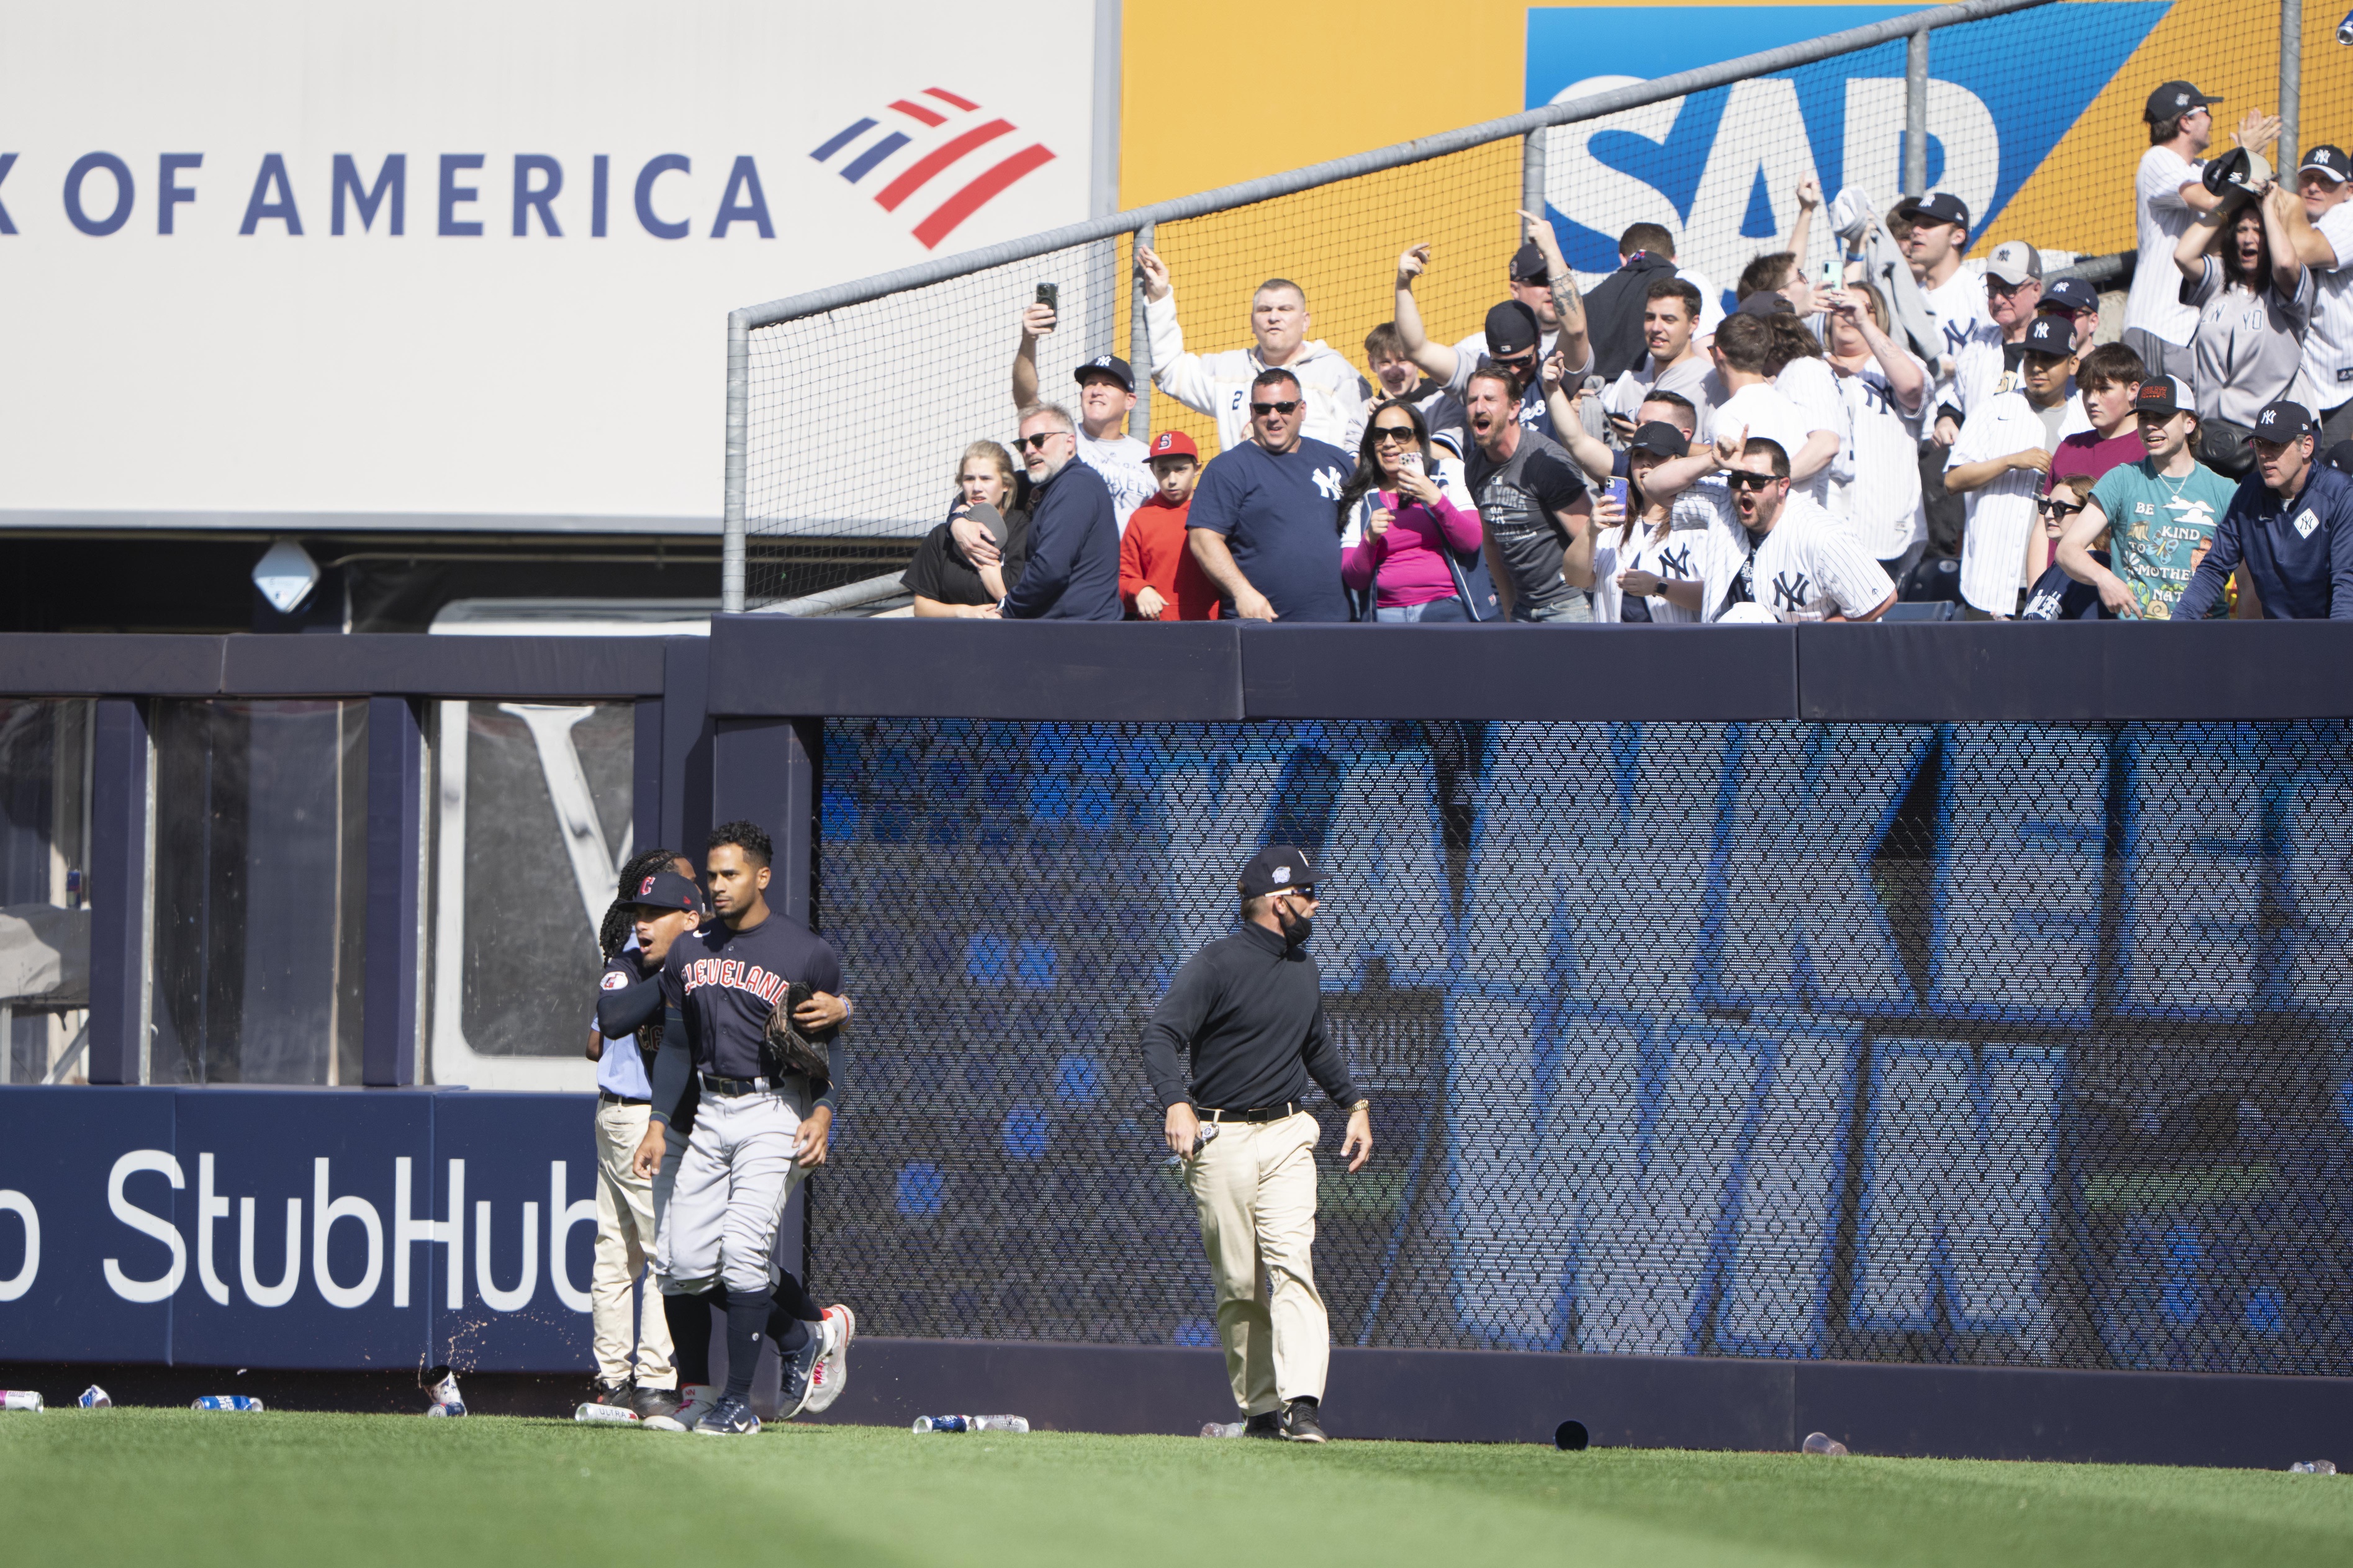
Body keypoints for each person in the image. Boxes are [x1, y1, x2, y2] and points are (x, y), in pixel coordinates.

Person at [625, 822, 853, 1437]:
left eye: (731, 874)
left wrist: (824, 1112)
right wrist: (655, 1123)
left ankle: (737, 1404)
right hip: (709, 1109)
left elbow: (831, 1045)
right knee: (683, 1263)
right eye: (713, 875)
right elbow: (676, 1046)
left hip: (774, 1109)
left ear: (762, 876)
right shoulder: (689, 949)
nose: (719, 885)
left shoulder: (805, 952)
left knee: (743, 1252)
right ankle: (801, 1338)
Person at [1142, 846, 1371, 1444]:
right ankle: (1262, 1412)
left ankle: (1303, 1406)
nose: (1316, 904)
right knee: (1240, 1285)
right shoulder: (1216, 964)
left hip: (1289, 1133)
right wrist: (1176, 1101)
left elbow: (1315, 1046)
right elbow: (1161, 1034)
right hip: (1222, 1139)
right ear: (1278, 902)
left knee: (1294, 1265)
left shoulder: (1304, 969)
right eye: (1307, 894)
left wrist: (1355, 1105)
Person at [581, 847, 700, 1420]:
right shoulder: (637, 956)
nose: (701, 889)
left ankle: (612, 1380)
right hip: (640, 1119)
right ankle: (652, 1380)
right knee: (658, 1251)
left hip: (614, 1113)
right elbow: (606, 1025)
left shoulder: (636, 954)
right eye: (689, 881)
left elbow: (593, 1044)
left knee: (615, 1253)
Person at [1138, 250, 1366, 454]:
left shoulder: (1336, 373)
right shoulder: (1228, 370)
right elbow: (1170, 370)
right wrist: (1160, 298)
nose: (1274, 317)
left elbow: (1357, 447)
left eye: (1285, 309)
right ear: (1252, 322)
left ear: (1305, 321)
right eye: (1265, 310)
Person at [2126, 84, 2279, 386]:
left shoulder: (2201, 168)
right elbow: (2210, 200)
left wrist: (2249, 160)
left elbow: (2238, 196)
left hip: (2190, 329)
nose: (2211, 120)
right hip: (2160, 326)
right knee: (2157, 414)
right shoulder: (2158, 159)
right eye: (2206, 113)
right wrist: (2244, 157)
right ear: (2186, 121)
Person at [1393, 211, 1594, 438]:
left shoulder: (1554, 369)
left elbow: (1575, 330)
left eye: (1523, 361)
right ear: (1490, 353)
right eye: (1503, 364)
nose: (1515, 370)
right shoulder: (1481, 371)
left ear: (1537, 342)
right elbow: (1417, 350)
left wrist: (1551, 250)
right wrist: (1403, 285)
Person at [2056, 376, 2236, 620]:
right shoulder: (2122, 479)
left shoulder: (2225, 491)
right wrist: (2104, 578)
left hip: (2204, 635)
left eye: (2161, 417)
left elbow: (2248, 580)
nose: (2151, 426)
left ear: (2189, 423)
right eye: (2144, 418)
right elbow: (2067, 550)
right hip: (2137, 634)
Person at [1186, 368, 1357, 623]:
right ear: (1252, 412)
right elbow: (1203, 539)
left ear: (1302, 409)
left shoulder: (1337, 460)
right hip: (1261, 626)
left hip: (1338, 624)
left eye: (1284, 407)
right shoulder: (1229, 468)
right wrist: (1242, 592)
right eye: (1263, 409)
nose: (1274, 417)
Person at [1945, 315, 2087, 617]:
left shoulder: (2084, 418)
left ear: (2073, 364)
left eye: (2049, 359)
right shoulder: (1994, 408)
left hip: (2059, 580)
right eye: (2031, 357)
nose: (2037, 367)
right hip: (1992, 579)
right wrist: (2010, 461)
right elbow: (1953, 480)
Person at [2174, 399, 2353, 618]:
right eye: (2259, 444)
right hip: (2274, 634)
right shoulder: (2250, 492)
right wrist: (2178, 624)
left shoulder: (2340, 494)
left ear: (2306, 446)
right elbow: (2214, 567)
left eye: (2276, 444)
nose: (2264, 454)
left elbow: (2347, 580)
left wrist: (2340, 638)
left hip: (2327, 630)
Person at [1896, 191, 2001, 556]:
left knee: (1961, 544)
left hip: (1963, 436)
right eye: (1914, 225)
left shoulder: (1978, 291)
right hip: (1915, 438)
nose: (1916, 232)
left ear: (1958, 235)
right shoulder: (1907, 299)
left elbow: (1996, 358)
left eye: (1929, 225)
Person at [1711, 436, 1895, 621]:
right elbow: (1691, 489)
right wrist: (1711, 459)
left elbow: (1881, 599)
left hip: (1816, 637)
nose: (1744, 487)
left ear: (1782, 486)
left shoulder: (1823, 536)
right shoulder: (1725, 504)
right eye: (1736, 479)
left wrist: (1811, 636)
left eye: (1756, 480)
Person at [1462, 364, 1593, 621]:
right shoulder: (1474, 467)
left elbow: (1590, 538)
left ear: (1514, 409)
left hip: (1568, 605)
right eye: (1472, 400)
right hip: (1522, 608)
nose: (1479, 408)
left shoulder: (1545, 462)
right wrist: (1510, 608)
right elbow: (1491, 543)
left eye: (1489, 399)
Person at [1337, 399, 1487, 621]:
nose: (1389, 443)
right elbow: (1355, 579)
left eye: (1400, 434)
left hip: (1448, 607)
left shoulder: (1447, 472)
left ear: (1418, 440)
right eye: (1380, 435)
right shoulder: (1362, 495)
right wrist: (1370, 539)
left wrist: (1435, 499)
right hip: (1388, 616)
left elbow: (1471, 542)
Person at [1821, 281, 1928, 580]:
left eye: (1861, 307)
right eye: (1841, 307)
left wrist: (1863, 322)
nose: (1848, 314)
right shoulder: (1811, 367)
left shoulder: (1900, 364)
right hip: (1823, 522)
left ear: (1877, 317)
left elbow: (1912, 388)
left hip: (1885, 526)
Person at [1009, 304, 1156, 521]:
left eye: (1108, 384)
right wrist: (1028, 340)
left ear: (1130, 401)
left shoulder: (1149, 458)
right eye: (1091, 383)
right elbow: (1027, 400)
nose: (1097, 390)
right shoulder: (1060, 438)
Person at [1579, 420, 1732, 622]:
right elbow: (1577, 578)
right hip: (1615, 640)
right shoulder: (1613, 519)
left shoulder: (1702, 522)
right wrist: (1589, 532)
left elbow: (1720, 595)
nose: (1646, 463)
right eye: (1638, 455)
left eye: (1658, 455)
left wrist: (1660, 586)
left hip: (1678, 641)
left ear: (1680, 463)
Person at [1000, 404, 1122, 621]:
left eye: (1038, 440)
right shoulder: (1048, 483)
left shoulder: (1076, 485)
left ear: (1069, 442)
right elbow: (986, 484)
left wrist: (1006, 609)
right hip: (1063, 628)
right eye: (1022, 444)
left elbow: (1050, 569)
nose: (1029, 451)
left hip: (1080, 631)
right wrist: (959, 519)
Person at [2279, 143, 2353, 443]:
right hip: (2303, 382)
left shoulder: (2348, 215)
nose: (2313, 188)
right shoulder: (2296, 222)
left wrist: (2288, 204)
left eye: (2326, 181)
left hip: (2343, 387)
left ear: (2348, 190)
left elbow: (2301, 251)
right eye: (2308, 179)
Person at [906, 441, 1029, 618]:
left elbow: (1023, 600)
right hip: (953, 633)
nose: (977, 488)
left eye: (986, 479)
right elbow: (921, 607)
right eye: (969, 479)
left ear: (1006, 485)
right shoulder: (942, 536)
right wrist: (964, 612)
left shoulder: (1024, 531)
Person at [1596, 277, 1715, 446]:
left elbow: (1720, 454)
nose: (1656, 328)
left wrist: (1650, 440)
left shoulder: (1711, 382)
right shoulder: (1629, 380)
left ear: (1693, 324)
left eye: (1669, 320)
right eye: (1650, 317)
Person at [1120, 430, 1221, 620]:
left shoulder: (1215, 510)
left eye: (1181, 469)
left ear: (1197, 469)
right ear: (1153, 471)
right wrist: (1139, 589)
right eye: (1163, 470)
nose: (1172, 480)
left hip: (1215, 625)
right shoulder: (1141, 519)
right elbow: (1123, 578)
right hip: (1158, 627)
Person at [1583, 223, 1688, 381]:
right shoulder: (1685, 282)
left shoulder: (1589, 300)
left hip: (1594, 390)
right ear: (1674, 259)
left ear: (1623, 259)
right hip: (1662, 386)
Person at [2020, 475, 2111, 620]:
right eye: (2046, 506)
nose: (2048, 515)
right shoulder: (2051, 572)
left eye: (2059, 508)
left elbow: (2096, 632)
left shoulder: (2095, 569)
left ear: (2086, 514)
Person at [1362, 322, 1464, 448]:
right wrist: (1373, 428)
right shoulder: (1364, 412)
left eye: (1402, 360)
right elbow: (1351, 460)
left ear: (1418, 359)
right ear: (1372, 364)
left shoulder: (1444, 401)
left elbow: (1449, 455)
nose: (1394, 372)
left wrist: (1402, 420)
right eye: (1385, 362)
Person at [1984, 241, 2046, 385]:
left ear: (2036, 291)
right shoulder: (1978, 347)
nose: (1998, 300)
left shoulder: (2054, 346)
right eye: (1992, 289)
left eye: (2010, 289)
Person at [2039, 275, 2104, 354]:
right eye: (2047, 315)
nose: (2055, 324)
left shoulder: (2111, 361)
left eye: (2066, 316)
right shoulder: (2035, 358)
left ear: (2093, 322)